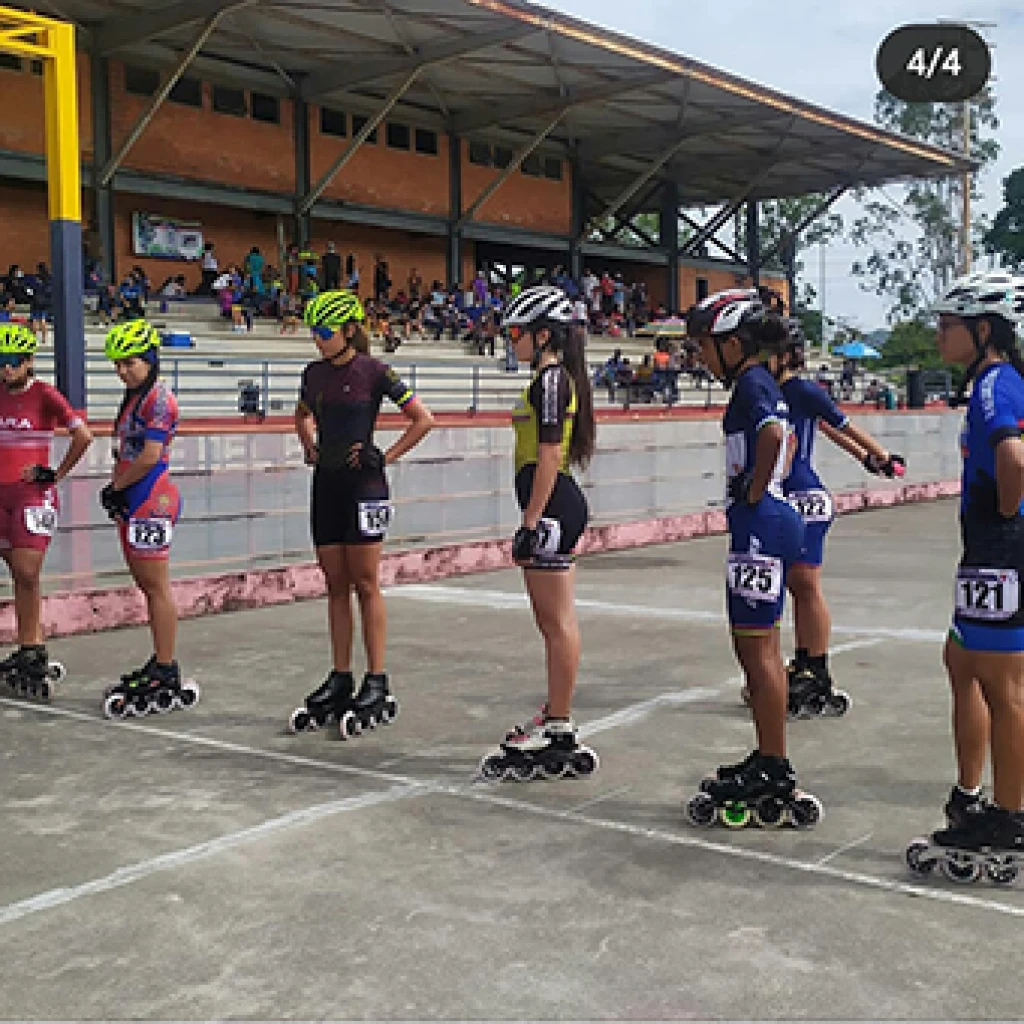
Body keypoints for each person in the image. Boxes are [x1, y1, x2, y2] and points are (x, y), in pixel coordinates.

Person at [683, 289, 821, 830]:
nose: (700, 357)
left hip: (760, 528)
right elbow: (781, 438)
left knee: (755, 651)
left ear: (733, 344)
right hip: (772, 523)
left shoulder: (751, 382)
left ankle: (774, 764)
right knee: (762, 649)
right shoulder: (761, 379)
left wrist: (757, 491)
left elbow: (770, 434)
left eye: (704, 347)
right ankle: (770, 756)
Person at [906, 271, 1024, 882]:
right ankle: (974, 793)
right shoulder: (991, 382)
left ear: (983, 330)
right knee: (961, 664)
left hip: (998, 549)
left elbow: (1014, 457)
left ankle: (1010, 815)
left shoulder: (994, 385)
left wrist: (1005, 515)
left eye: (947, 326)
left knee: (1004, 691)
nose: (937, 335)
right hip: (989, 550)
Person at [288, 290, 433, 736]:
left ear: (349, 330)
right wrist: (308, 444)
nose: (317, 339)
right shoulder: (313, 374)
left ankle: (376, 677)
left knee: (366, 583)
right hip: (326, 486)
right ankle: (340, 675)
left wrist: (385, 457)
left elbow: (423, 418)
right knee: (335, 585)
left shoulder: (373, 371)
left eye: (324, 332)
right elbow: (301, 414)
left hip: (365, 486)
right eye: (313, 331)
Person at [477, 285, 600, 783]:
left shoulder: (552, 381)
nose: (511, 341)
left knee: (555, 623)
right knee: (554, 622)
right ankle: (557, 716)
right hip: (553, 505)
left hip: (551, 508)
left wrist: (530, 522)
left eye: (516, 333)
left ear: (542, 334)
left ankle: (559, 724)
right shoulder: (551, 378)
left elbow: (549, 454)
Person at [765, 319, 905, 717]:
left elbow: (843, 422)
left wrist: (879, 454)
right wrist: (865, 458)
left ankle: (817, 668)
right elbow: (828, 428)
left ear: (787, 354)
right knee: (795, 585)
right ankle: (806, 662)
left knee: (805, 585)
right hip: (786, 494)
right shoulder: (771, 391)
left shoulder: (801, 389)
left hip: (804, 496)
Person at [98, 320, 198, 718]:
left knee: (156, 588)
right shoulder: (134, 396)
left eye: (131, 363)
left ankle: (166, 665)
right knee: (147, 585)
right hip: (135, 496)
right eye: (118, 365)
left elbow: (149, 456)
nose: (123, 371)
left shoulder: (158, 400)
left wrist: (118, 487)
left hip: (149, 497)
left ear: (151, 359)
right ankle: (161, 659)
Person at [0, 324, 92, 698]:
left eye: (13, 362)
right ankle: (29, 644)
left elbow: (83, 436)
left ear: (29, 362)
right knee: (19, 576)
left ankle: (33, 646)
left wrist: (55, 474)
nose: (6, 369)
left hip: (31, 495)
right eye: (1, 362)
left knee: (27, 570)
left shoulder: (45, 395)